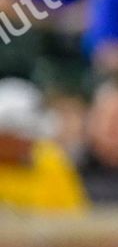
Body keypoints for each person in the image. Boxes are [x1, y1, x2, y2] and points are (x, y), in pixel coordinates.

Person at [0, 79, 86, 212]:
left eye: (27, 133)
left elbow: (76, 216)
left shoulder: (51, 161)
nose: (21, 142)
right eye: (11, 134)